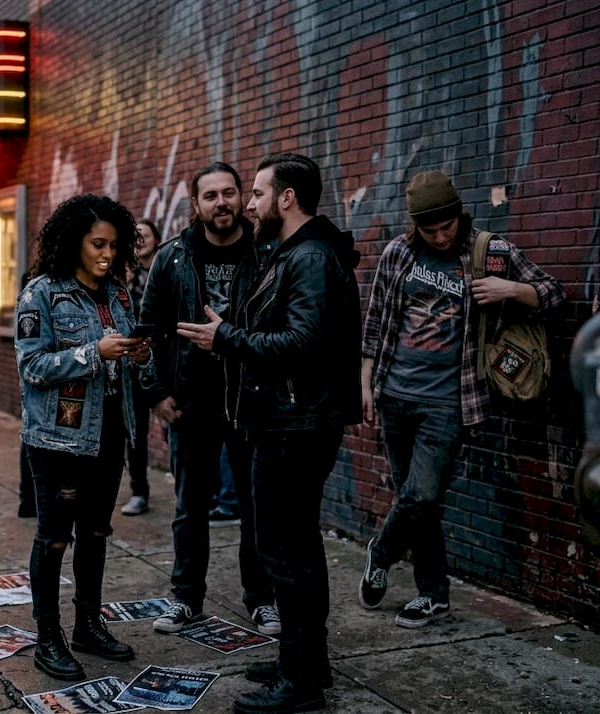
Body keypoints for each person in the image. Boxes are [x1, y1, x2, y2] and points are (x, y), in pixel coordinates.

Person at [177, 153, 362, 713]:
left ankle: (300, 683)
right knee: (296, 547)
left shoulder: (310, 257)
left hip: (295, 424)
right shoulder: (294, 253)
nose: (249, 204)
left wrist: (227, 338)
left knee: (285, 552)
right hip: (289, 420)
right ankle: (304, 662)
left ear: (287, 197)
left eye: (257, 194)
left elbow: (302, 343)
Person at [358, 170, 565, 629]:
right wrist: (366, 380)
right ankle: (433, 595)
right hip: (395, 395)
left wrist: (512, 290)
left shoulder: (489, 252)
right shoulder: (398, 253)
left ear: (459, 215)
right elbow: (376, 320)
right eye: (429, 230)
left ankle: (382, 551)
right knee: (419, 503)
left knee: (422, 493)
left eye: (446, 226)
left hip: (449, 402)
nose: (439, 236)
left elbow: (554, 293)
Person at [15, 194, 154, 681]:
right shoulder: (42, 293)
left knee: (96, 533)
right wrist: (95, 352)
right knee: (54, 539)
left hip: (110, 434)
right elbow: (32, 366)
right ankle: (47, 638)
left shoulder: (118, 294)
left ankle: (88, 626)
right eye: (98, 244)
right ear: (74, 241)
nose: (107, 254)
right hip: (57, 440)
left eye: (114, 245)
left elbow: (133, 363)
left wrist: (140, 356)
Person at [138, 162, 279, 638]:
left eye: (229, 193)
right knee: (190, 509)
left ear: (242, 197)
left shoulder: (267, 251)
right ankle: (185, 598)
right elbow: (146, 332)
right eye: (211, 196)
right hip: (191, 403)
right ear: (196, 205)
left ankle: (261, 599)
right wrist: (156, 393)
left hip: (249, 401)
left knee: (256, 508)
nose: (222, 203)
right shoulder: (172, 258)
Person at [119, 219, 161, 517]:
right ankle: (139, 492)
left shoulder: (166, 270)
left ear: (156, 239)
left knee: (175, 430)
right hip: (135, 365)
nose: (140, 240)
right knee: (135, 434)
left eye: (145, 235)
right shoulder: (126, 277)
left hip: (164, 365)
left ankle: (194, 492)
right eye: (135, 237)